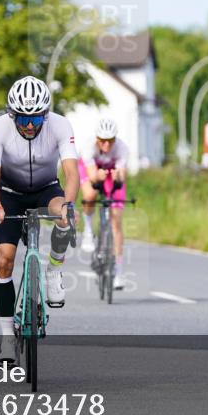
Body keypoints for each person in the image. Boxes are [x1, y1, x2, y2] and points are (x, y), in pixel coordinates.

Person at [0, 76, 78, 365]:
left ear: (44, 114)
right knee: (4, 259)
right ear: (13, 114)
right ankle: (7, 337)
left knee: (63, 214)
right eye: (23, 118)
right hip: (9, 193)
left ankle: (53, 271)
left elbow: (72, 173)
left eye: (36, 118)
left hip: (47, 189)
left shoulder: (60, 125)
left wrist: (68, 205)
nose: (30, 125)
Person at [79, 118, 128, 289]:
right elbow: (92, 176)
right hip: (93, 170)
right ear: (97, 139)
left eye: (111, 140)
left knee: (116, 221)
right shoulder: (88, 147)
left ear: (115, 139)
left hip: (112, 171)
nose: (107, 144)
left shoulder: (122, 149)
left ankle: (119, 271)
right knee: (90, 194)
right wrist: (97, 177)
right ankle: (88, 230)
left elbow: (121, 177)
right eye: (103, 140)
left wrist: (117, 178)